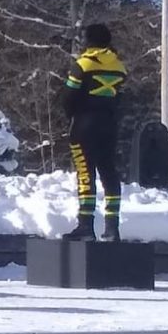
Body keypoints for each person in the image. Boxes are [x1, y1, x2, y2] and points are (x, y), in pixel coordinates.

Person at [61, 22, 127, 242]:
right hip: (109, 126)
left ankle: (85, 226)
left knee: (85, 173)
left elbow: (68, 97)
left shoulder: (82, 65)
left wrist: (72, 115)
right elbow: (120, 99)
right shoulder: (119, 67)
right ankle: (112, 228)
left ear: (88, 41)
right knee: (109, 172)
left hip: (84, 126)